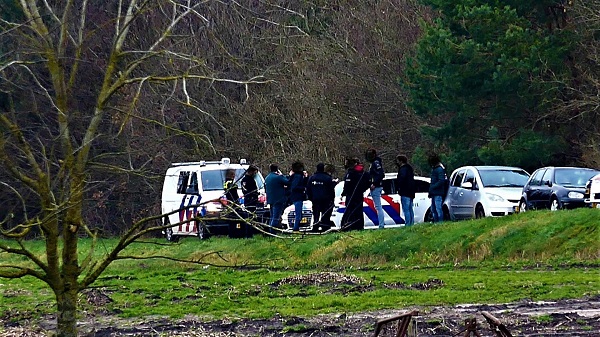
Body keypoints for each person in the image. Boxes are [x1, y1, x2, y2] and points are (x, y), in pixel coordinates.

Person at [340, 157, 371, 231]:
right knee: (359, 211)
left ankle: (349, 225)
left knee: (350, 211)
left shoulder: (350, 173)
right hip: (359, 195)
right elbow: (368, 183)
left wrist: (343, 193)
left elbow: (347, 185)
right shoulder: (364, 173)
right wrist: (362, 190)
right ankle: (359, 226)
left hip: (350, 195)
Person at [307, 163, 336, 229]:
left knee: (316, 214)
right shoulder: (327, 178)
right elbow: (331, 190)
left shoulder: (312, 178)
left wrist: (310, 198)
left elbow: (308, 189)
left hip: (315, 199)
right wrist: (332, 199)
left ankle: (315, 226)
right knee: (325, 214)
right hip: (325, 200)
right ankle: (325, 226)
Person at [265, 164, 289, 231]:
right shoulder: (278, 177)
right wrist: (282, 175)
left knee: (272, 216)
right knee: (276, 217)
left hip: (270, 200)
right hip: (278, 199)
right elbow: (287, 182)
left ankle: (269, 230)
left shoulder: (267, 178)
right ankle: (272, 232)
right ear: (277, 169)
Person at [365, 148, 385, 229]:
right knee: (378, 207)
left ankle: (381, 225)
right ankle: (381, 224)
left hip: (376, 187)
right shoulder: (374, 163)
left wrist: (374, 183)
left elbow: (381, 174)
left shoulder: (376, 163)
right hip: (376, 186)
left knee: (378, 207)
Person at [395, 155, 416, 226]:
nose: (396, 162)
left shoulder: (403, 170)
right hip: (411, 192)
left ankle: (408, 224)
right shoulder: (410, 169)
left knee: (406, 209)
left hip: (405, 191)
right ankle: (411, 223)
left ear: (401, 161)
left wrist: (399, 186)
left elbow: (401, 179)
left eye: (397, 160)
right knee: (410, 209)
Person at [288, 161, 308, 232]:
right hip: (298, 196)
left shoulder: (294, 176)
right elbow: (294, 187)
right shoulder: (298, 176)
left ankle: (296, 227)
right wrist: (303, 188)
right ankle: (296, 228)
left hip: (296, 196)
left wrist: (305, 178)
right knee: (298, 214)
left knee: (298, 213)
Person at [428, 153, 447, 223]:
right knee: (433, 209)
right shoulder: (435, 169)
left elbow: (441, 181)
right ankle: (436, 222)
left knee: (438, 208)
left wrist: (433, 187)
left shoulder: (439, 169)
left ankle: (440, 222)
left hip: (438, 192)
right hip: (434, 192)